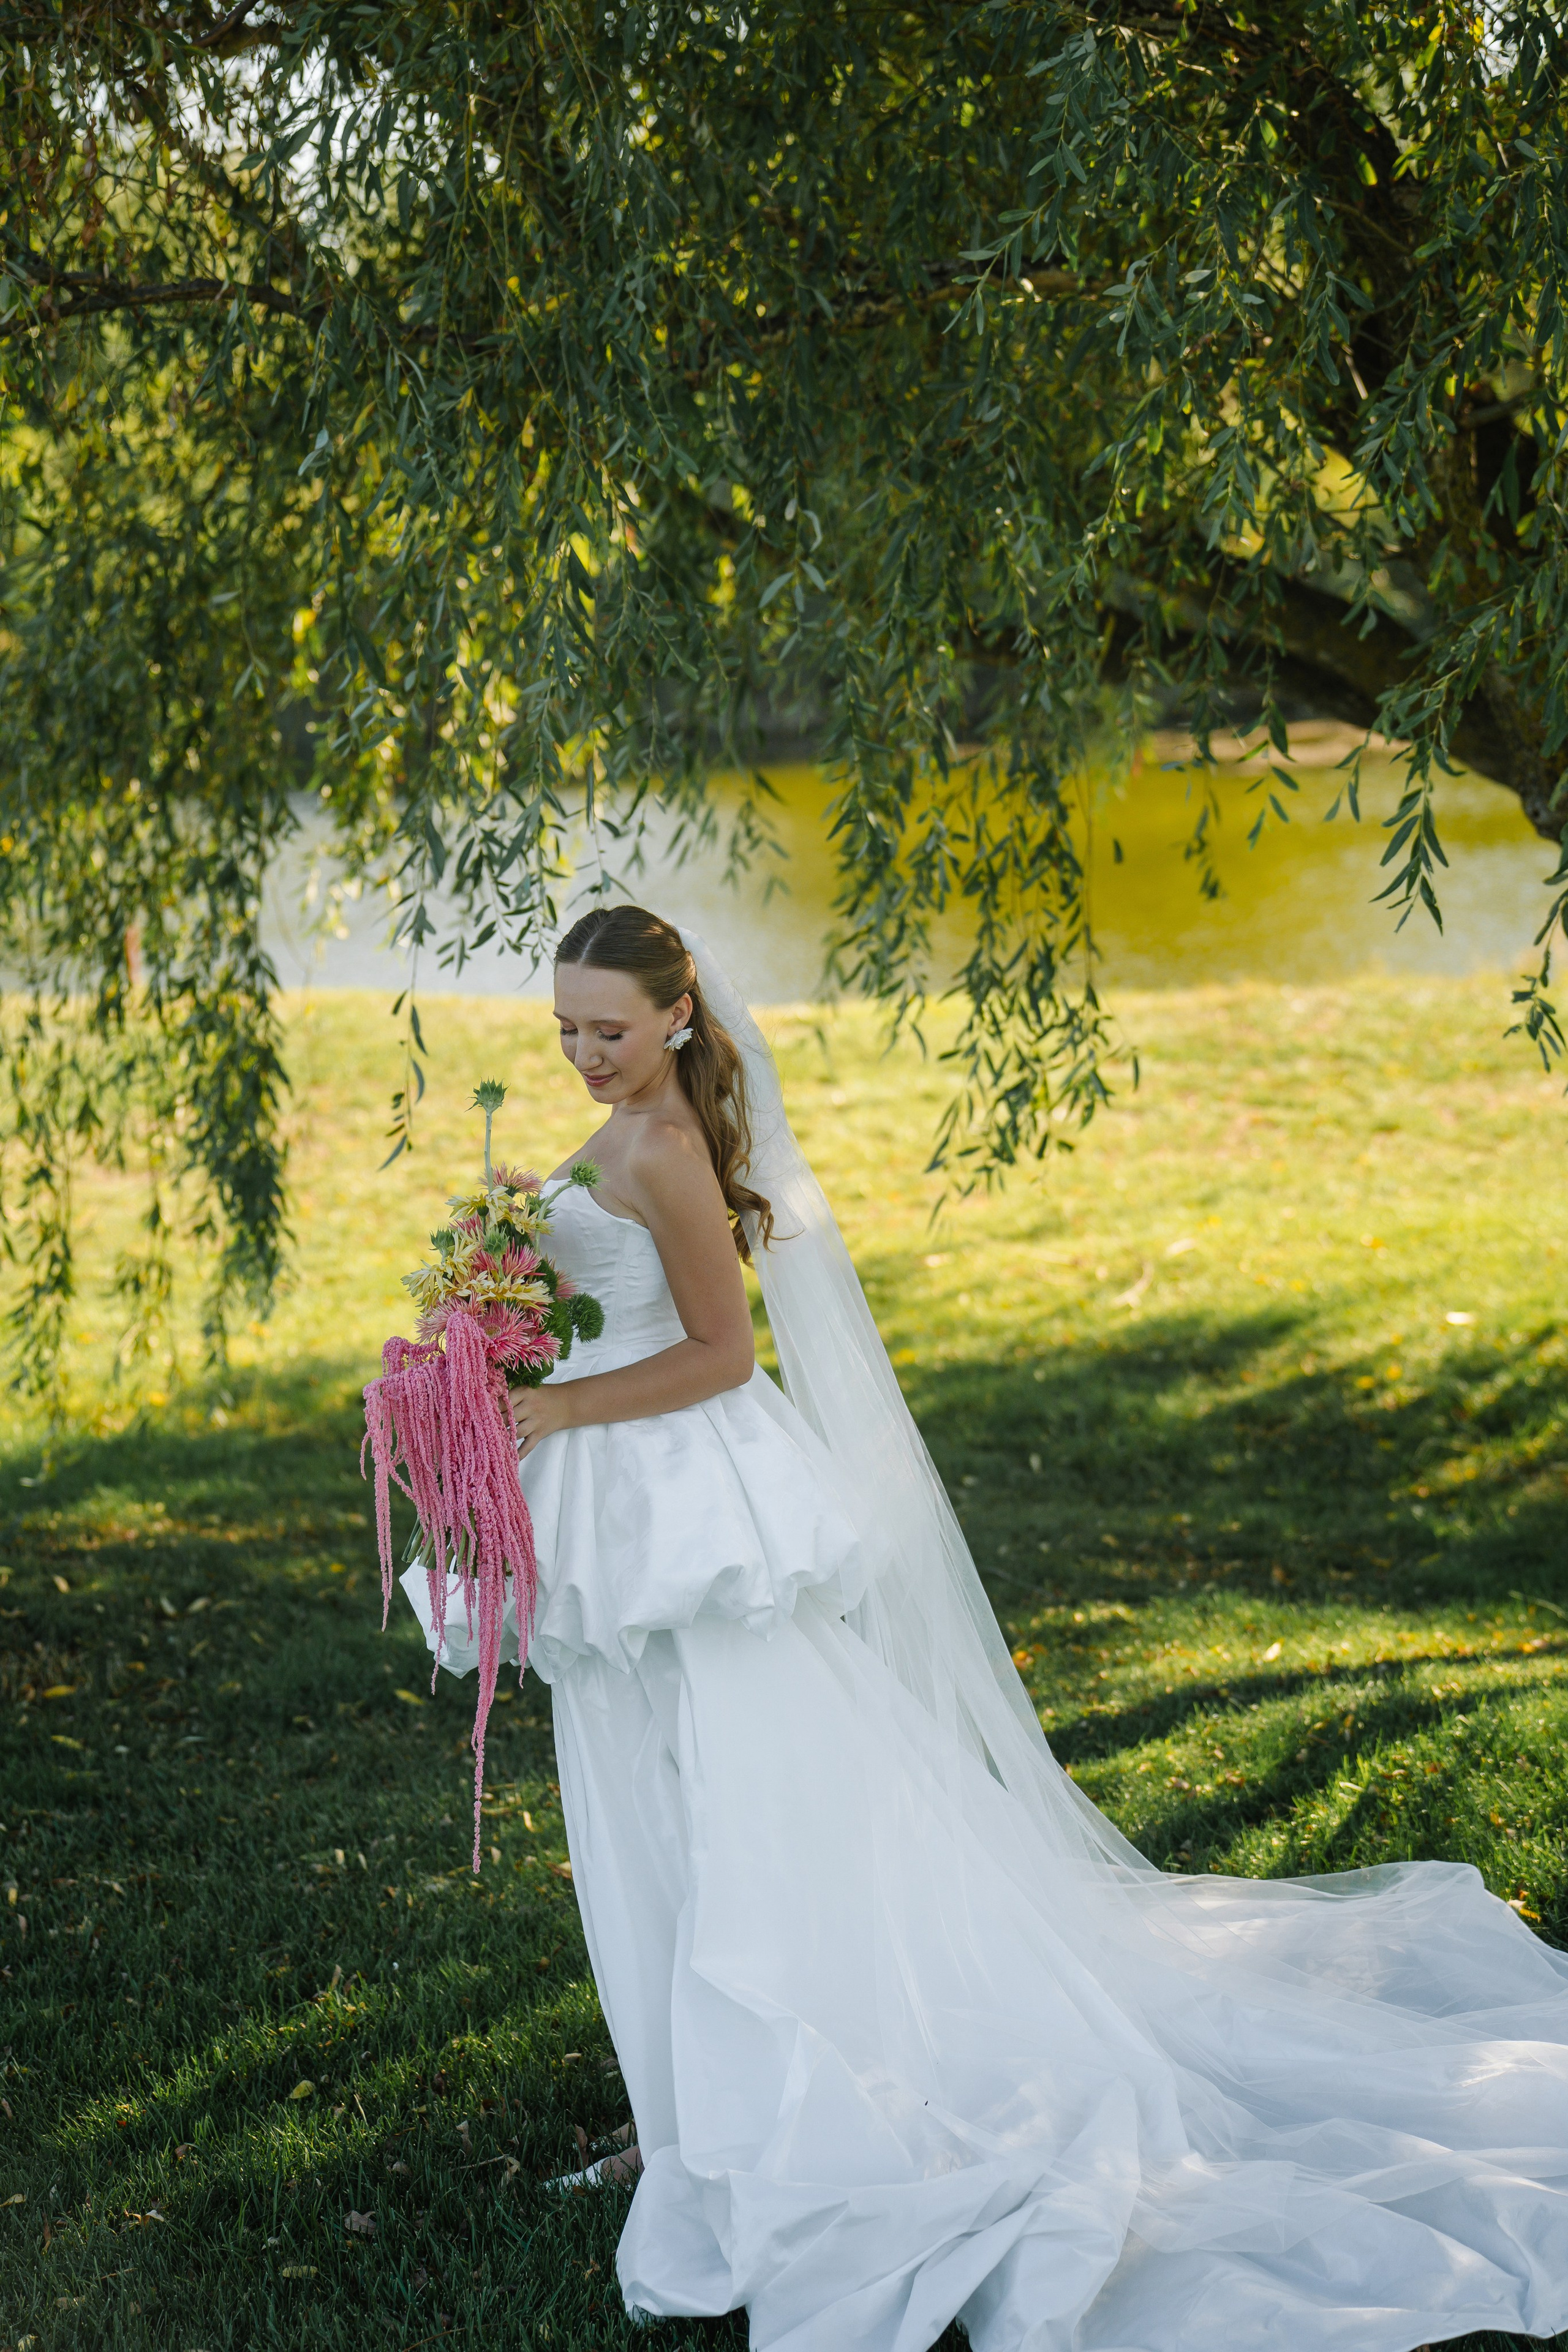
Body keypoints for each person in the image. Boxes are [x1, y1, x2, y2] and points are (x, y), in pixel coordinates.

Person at [476, 904, 1568, 2352]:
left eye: (606, 1030)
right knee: (647, 1818)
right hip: (624, 1514)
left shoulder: (668, 1147)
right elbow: (604, 1297)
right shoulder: (626, 1134)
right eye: (564, 1028)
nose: (581, 1056)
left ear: (676, 1019)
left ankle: (744, 2128)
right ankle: (677, 2122)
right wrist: (489, 1306)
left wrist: (554, 1402)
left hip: (684, 1518)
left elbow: (721, 1350)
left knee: (730, 1822)